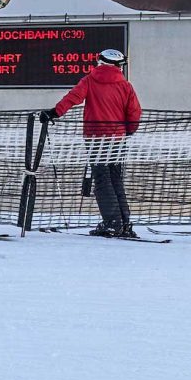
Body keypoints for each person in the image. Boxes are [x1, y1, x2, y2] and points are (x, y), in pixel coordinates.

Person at [48, 47, 144, 238]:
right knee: (116, 179)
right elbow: (134, 112)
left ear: (100, 62)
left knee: (102, 180)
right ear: (116, 65)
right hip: (118, 139)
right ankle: (124, 222)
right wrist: (129, 130)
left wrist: (54, 113)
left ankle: (112, 222)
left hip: (95, 138)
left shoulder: (90, 80)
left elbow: (72, 98)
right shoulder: (126, 86)